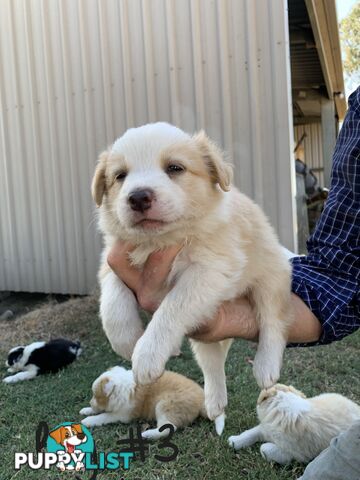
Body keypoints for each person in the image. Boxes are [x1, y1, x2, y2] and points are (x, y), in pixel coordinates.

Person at [107, 87, 360, 480]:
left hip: (258, 268)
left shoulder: (212, 223)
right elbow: (114, 270)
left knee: (270, 295)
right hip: (206, 298)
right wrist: (120, 321)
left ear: (214, 176)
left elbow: (205, 277)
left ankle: (271, 346)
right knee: (203, 336)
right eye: (120, 175)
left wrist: (162, 330)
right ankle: (214, 381)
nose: (138, 190)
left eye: (173, 168)